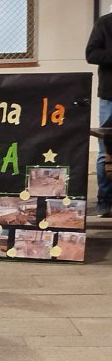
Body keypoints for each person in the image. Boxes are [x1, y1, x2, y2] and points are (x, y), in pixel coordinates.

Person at [86, 12, 112, 217]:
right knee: (105, 150)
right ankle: (104, 202)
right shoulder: (105, 23)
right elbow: (91, 54)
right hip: (109, 96)